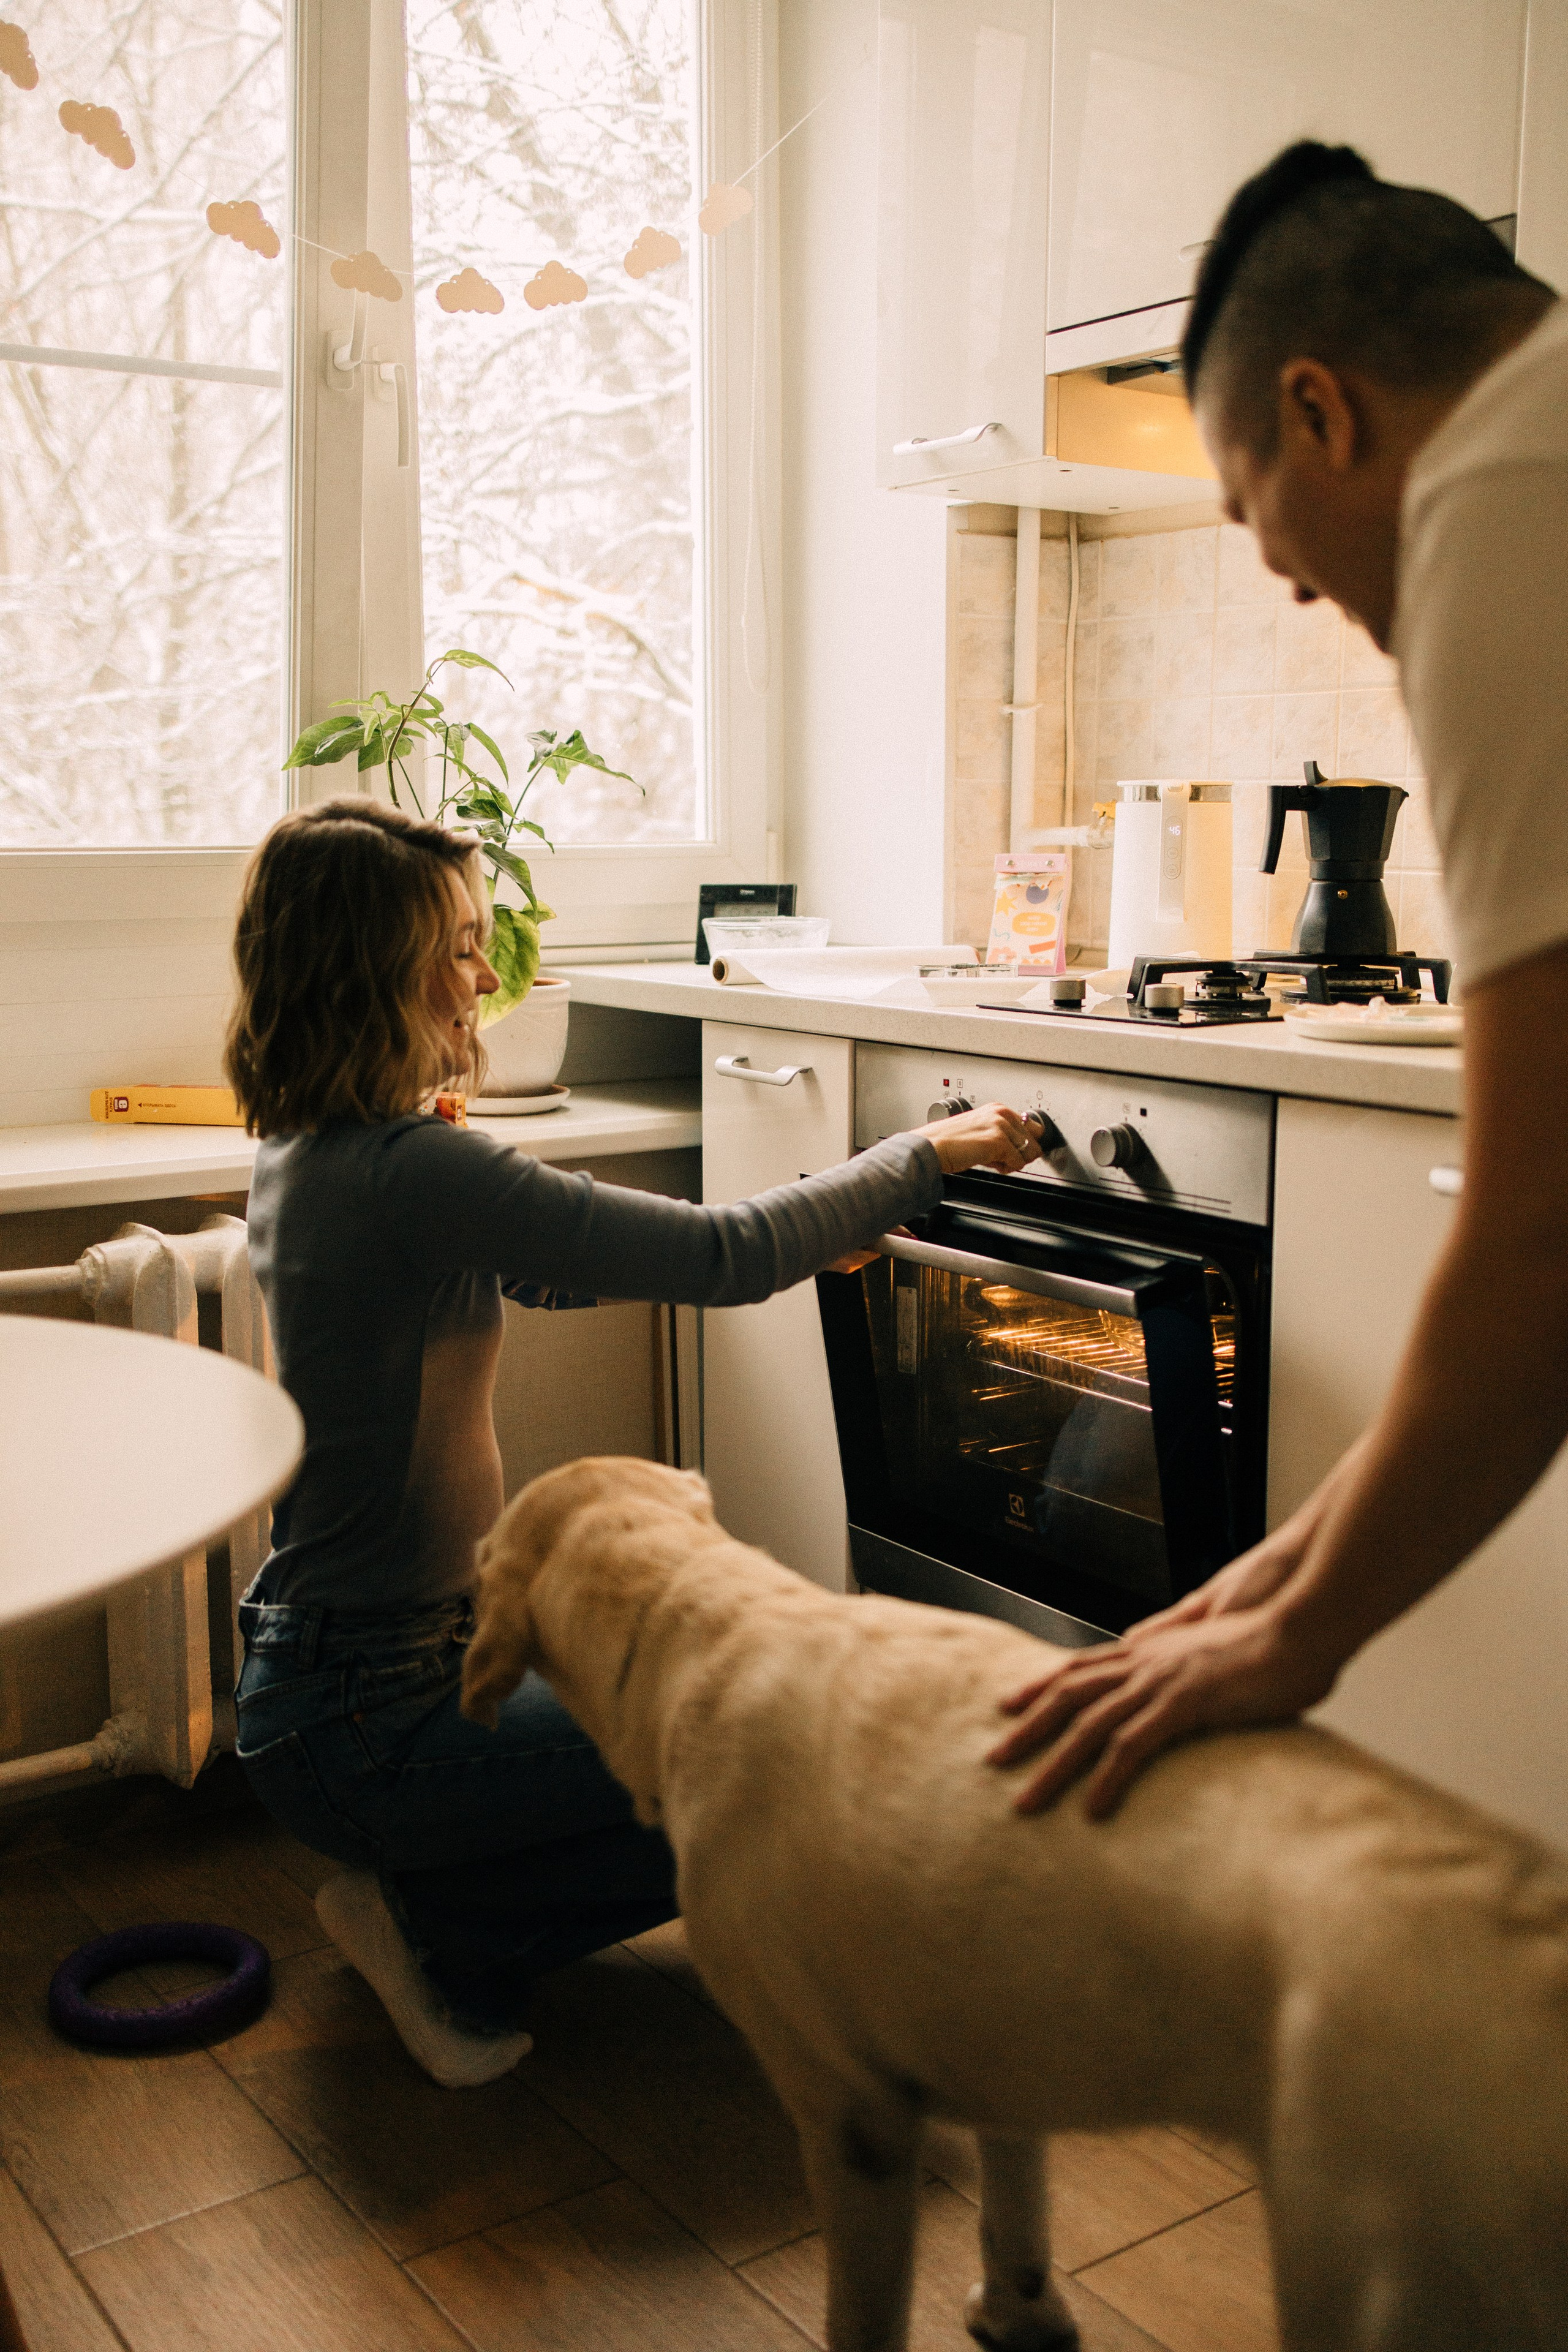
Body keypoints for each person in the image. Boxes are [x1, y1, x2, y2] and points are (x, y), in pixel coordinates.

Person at [227, 797, 1038, 2086]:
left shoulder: (316, 1150)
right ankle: (438, 1927)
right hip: (368, 1714)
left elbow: (533, 1271)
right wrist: (918, 1156)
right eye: (456, 945)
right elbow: (722, 1256)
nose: (484, 976)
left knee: (712, 1723)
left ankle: (424, 1881)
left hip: (345, 1678)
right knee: (764, 1761)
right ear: (367, 972)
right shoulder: (406, 1170)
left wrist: (794, 1230)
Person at [992, 141, 1568, 1819]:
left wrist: (1293, 1637)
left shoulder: (1501, 499)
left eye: (1254, 518)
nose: (1292, 582)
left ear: (1321, 410)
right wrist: (1258, 1584)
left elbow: (1543, 1229)